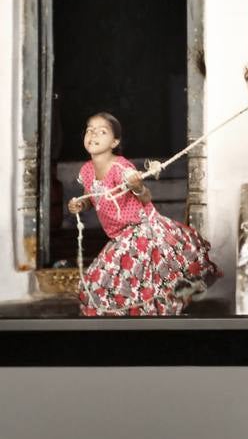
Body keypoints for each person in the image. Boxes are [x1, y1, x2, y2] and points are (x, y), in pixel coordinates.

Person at [68, 111, 221, 317]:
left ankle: (149, 318)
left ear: (114, 142)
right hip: (119, 235)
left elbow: (145, 197)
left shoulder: (121, 168)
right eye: (89, 130)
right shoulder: (87, 170)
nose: (93, 135)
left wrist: (137, 186)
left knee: (129, 280)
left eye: (102, 131)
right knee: (109, 280)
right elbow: (90, 195)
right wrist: (81, 204)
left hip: (142, 230)